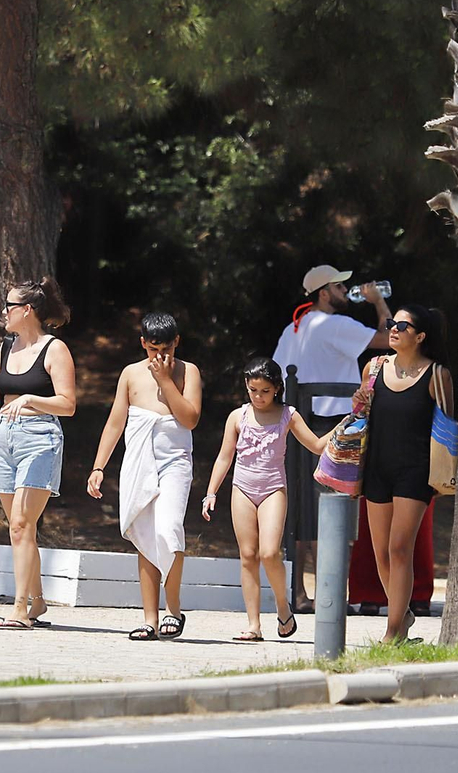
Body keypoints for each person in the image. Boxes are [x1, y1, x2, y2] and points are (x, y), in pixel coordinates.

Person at [272, 263, 392, 611]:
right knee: (332, 505)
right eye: (339, 287)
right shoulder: (335, 324)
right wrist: (378, 301)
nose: (345, 292)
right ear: (324, 293)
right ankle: (331, 596)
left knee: (300, 509)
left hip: (295, 423)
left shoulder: (293, 328)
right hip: (332, 426)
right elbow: (390, 339)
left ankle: (299, 593)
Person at [0, 277, 76, 630]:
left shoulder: (54, 349)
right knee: (20, 530)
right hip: (4, 437)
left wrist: (31, 399)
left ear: (27, 310)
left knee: (20, 525)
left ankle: (19, 607)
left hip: (39, 437)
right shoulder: (6, 347)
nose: (4, 311)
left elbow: (68, 404)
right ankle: (38, 601)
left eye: (9, 306)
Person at [88, 312, 202, 641]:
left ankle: (173, 609)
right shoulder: (130, 374)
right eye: (153, 350)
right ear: (143, 344)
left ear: (176, 342)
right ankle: (150, 619)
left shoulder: (188, 371)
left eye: (166, 349)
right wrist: (98, 467)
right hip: (139, 461)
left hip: (174, 462)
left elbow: (190, 419)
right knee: (144, 534)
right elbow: (115, 422)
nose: (160, 356)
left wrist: (166, 381)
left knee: (169, 529)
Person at [201, 357, 328, 642]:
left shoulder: (288, 415)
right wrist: (211, 492)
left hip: (273, 488)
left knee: (269, 553)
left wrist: (346, 424)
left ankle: (283, 607)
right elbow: (224, 457)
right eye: (253, 390)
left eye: (265, 391)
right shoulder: (238, 416)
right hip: (242, 487)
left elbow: (317, 446)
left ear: (277, 389)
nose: (258, 397)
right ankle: (253, 624)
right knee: (248, 555)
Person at [354, 305, 453, 644]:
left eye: (401, 326)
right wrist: (358, 400)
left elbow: (447, 427)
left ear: (420, 336)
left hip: (415, 471)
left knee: (399, 549)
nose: (392, 329)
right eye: (391, 323)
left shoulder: (437, 374)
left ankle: (393, 631)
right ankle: (403, 613)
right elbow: (362, 413)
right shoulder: (374, 367)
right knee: (381, 553)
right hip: (377, 467)